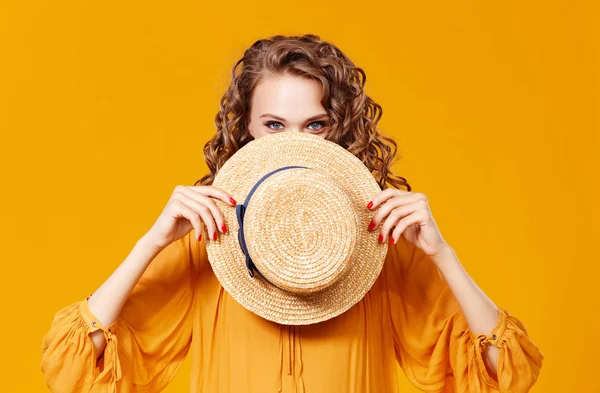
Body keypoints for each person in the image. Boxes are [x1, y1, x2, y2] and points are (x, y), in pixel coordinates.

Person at [40, 34, 543, 393]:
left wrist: (444, 255)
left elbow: (504, 374)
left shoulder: (379, 245)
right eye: (275, 124)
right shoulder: (207, 242)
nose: (295, 143)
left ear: (340, 130)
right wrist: (150, 242)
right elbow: (74, 371)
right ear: (248, 130)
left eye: (316, 124)